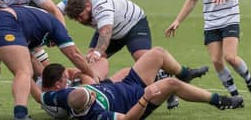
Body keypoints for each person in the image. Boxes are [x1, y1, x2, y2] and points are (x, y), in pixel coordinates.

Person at [40, 47, 243, 119]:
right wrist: (145, 99)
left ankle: (186, 73)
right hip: (137, 99)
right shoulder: (98, 115)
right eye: (91, 93)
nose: (90, 90)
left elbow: (42, 95)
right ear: (88, 104)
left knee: (157, 53)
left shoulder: (61, 96)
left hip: (127, 84)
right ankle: (219, 100)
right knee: (171, 84)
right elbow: (128, 119)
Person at [0, 5, 99, 120]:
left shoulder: (36, 28)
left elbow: (35, 58)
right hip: (4, 21)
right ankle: (20, 114)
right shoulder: (57, 27)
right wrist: (94, 77)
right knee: (24, 70)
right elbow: (74, 54)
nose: (50, 45)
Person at [59, 0, 180, 109]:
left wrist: (97, 53)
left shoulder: (101, 6)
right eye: (76, 19)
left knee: (143, 58)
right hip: (109, 28)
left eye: (81, 16)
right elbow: (53, 10)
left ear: (88, 6)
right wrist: (59, 30)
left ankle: (167, 82)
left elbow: (105, 33)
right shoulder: (71, 2)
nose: (80, 20)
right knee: (91, 60)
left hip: (132, 24)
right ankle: (96, 90)